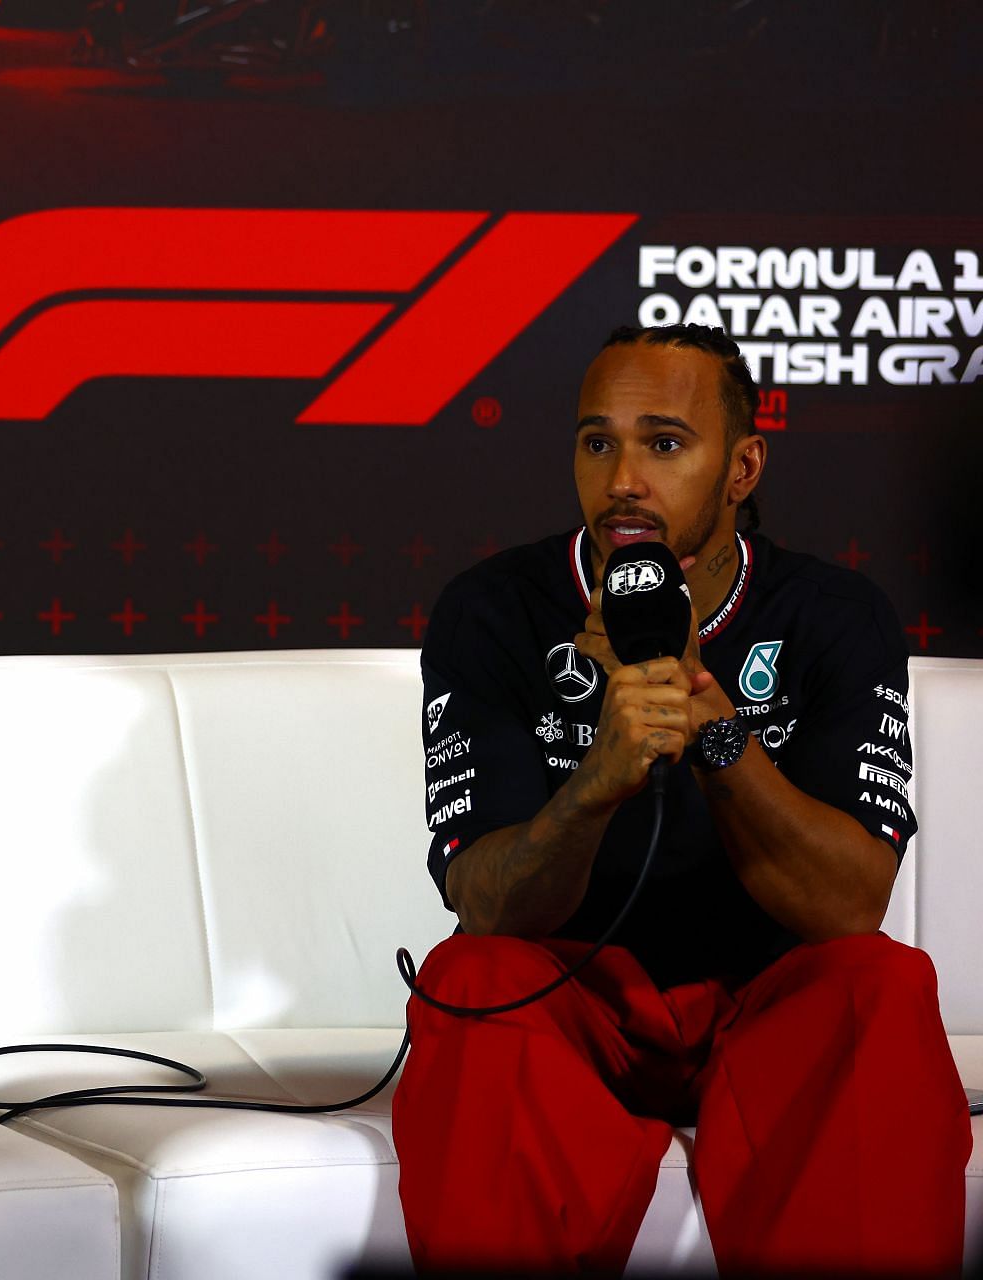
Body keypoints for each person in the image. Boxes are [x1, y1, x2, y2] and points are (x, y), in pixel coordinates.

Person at [393, 324, 971, 1275]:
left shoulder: (836, 615)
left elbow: (848, 905)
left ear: (742, 467)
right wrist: (596, 785)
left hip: (765, 1008)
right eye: (597, 441)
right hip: (570, 1007)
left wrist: (714, 729)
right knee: (470, 982)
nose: (623, 478)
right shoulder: (491, 610)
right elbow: (486, 906)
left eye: (663, 443)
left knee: (883, 983)